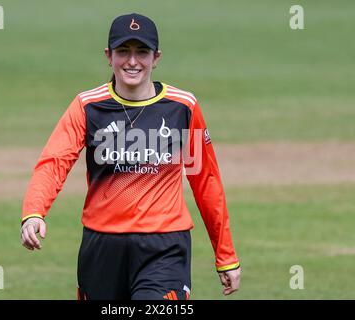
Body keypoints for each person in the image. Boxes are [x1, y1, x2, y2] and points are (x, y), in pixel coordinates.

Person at [20, 13, 241, 300]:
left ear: (156, 57)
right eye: (123, 51)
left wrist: (225, 254)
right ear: (108, 56)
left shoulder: (183, 107)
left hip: (165, 246)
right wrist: (34, 212)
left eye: (142, 52)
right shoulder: (88, 106)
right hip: (102, 247)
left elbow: (206, 181)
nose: (133, 61)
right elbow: (54, 162)